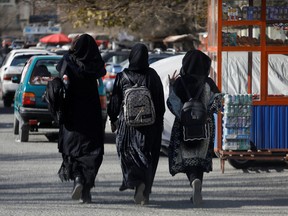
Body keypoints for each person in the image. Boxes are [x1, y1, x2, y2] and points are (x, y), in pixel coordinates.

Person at [107, 43, 165, 205]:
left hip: (128, 126)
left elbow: (115, 101)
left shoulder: (122, 76)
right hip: (149, 126)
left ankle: (135, 182)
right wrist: (159, 123)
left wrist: (113, 119)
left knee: (128, 154)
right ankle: (145, 191)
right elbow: (159, 103)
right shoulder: (152, 75)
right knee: (147, 157)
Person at [166, 50, 223, 206]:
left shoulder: (179, 82)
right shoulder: (208, 83)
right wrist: (205, 113)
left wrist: (172, 87)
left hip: (184, 127)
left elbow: (172, 104)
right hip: (204, 127)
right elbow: (218, 103)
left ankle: (193, 181)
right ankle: (198, 185)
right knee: (199, 158)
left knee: (188, 157)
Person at [56, 34, 106, 204]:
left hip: (72, 110)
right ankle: (86, 190)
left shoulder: (68, 60)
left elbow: (59, 74)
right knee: (92, 150)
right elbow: (101, 72)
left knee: (72, 148)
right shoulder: (95, 63)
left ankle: (78, 178)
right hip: (91, 110)